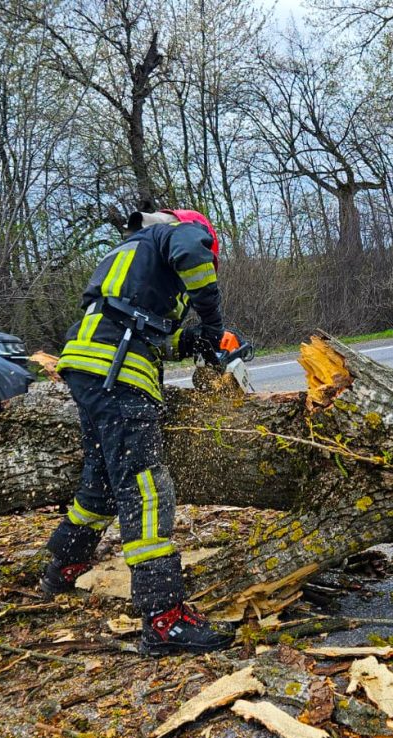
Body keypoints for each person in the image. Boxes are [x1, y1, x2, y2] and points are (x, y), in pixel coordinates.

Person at [40, 208, 234, 656]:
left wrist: (197, 342)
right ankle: (164, 618)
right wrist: (213, 323)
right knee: (145, 487)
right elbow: (192, 256)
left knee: (103, 482)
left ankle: (63, 565)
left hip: (89, 366)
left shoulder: (133, 258)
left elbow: (148, 331)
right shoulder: (181, 234)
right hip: (116, 373)